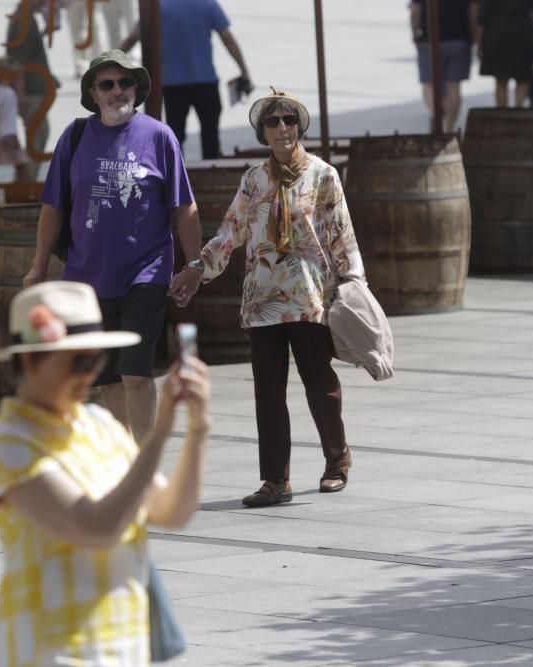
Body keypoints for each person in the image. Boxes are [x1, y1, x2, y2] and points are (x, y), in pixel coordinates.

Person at [0, 280, 210, 666]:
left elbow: (172, 512)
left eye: (97, 361)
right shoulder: (7, 443)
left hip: (124, 649)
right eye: (79, 362)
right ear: (32, 361)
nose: (91, 375)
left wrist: (199, 427)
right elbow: (97, 528)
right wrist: (162, 430)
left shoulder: (99, 425)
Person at [169, 89, 364, 507]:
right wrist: (198, 268)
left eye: (289, 120)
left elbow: (342, 234)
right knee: (268, 391)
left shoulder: (323, 175)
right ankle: (275, 480)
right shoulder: (254, 180)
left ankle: (336, 458)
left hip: (309, 296)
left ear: (299, 127)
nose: (282, 128)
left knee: (319, 383)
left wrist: (353, 283)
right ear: (263, 132)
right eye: (273, 122)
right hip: (262, 300)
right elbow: (231, 231)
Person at [22, 50, 203, 442]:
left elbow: (183, 206)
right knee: (107, 382)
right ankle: (120, 464)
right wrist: (38, 266)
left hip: (147, 272)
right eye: (108, 84)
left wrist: (195, 263)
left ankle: (144, 464)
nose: (118, 91)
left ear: (136, 89)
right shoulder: (74, 137)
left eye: (125, 83)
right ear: (94, 93)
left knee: (136, 372)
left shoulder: (159, 136)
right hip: (87, 277)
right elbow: (53, 206)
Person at [121, 0, 252, 160]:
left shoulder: (159, 7)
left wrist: (108, 63)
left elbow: (132, 38)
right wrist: (244, 70)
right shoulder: (207, 4)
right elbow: (228, 39)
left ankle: (177, 179)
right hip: (205, 81)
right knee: (210, 136)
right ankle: (211, 175)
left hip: (172, 84)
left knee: (175, 137)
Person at [6, 0, 58, 180]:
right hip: (30, 91)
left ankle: (25, 182)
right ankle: (25, 184)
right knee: (37, 136)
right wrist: (20, 95)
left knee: (37, 136)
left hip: (32, 89)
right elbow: (18, 62)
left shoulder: (25, 18)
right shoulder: (24, 20)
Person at [410, 0, 479, 133]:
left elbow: (415, 11)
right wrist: (475, 35)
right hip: (460, 38)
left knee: (429, 84)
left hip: (429, 38)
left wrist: (415, 33)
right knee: (454, 86)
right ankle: (448, 129)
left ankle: (437, 116)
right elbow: (474, 11)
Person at [475, 0, 533, 107]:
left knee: (501, 79)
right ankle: (518, 110)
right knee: (523, 78)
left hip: (498, 33)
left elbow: (482, 16)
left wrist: (479, 41)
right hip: (523, 33)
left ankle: (502, 115)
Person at [0, 56, 30, 181]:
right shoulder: (8, 93)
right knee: (22, 166)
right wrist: (12, 137)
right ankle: (27, 193)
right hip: (7, 136)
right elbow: (8, 118)